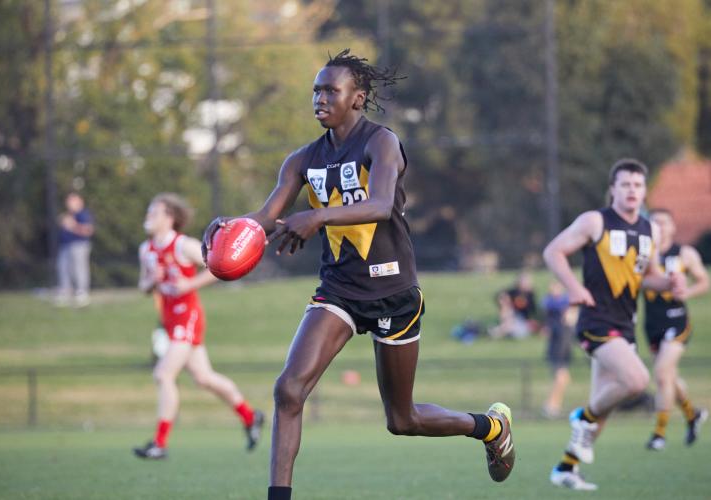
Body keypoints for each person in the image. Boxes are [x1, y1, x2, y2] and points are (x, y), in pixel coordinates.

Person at [202, 49, 516, 500]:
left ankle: (490, 427)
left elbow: (381, 204)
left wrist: (317, 217)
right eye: (315, 91)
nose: (320, 99)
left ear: (358, 97)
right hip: (339, 293)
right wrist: (231, 227)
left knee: (402, 420)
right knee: (288, 390)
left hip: (393, 292)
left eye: (331, 90)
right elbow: (268, 215)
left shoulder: (380, 142)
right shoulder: (301, 160)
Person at [543, 159, 685, 491]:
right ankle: (582, 417)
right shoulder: (595, 221)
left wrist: (670, 284)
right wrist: (574, 288)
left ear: (644, 191)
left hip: (625, 323)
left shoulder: (650, 230)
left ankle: (565, 469)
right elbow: (553, 252)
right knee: (636, 381)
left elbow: (648, 279)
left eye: (637, 185)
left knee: (603, 409)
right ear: (613, 190)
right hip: (595, 319)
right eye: (625, 185)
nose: (632, 191)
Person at [133, 193, 264, 460]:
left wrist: (189, 285)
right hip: (170, 320)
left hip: (188, 316)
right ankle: (251, 417)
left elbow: (217, 267)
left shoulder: (183, 245)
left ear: (169, 218)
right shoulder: (145, 250)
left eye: (154, 212)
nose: (149, 217)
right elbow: (143, 286)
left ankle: (159, 443)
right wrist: (152, 282)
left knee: (163, 374)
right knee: (204, 378)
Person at [643, 208, 709, 451]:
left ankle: (659, 433)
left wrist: (687, 292)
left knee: (661, 373)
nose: (659, 227)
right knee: (669, 377)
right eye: (654, 223)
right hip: (652, 324)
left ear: (672, 227)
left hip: (676, 321)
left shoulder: (684, 253)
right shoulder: (642, 254)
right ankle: (692, 415)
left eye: (664, 223)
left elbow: (704, 280)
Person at [541, 281, 575, 419]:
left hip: (564, 350)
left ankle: (554, 405)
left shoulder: (567, 324)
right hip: (557, 351)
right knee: (560, 379)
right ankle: (550, 406)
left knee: (564, 380)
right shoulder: (552, 307)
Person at [56, 192, 94, 307]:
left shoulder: (83, 214)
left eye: (72, 201)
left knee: (79, 269)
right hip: (65, 245)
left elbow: (88, 231)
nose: (69, 203)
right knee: (63, 268)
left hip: (79, 245)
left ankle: (82, 292)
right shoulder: (68, 214)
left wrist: (73, 225)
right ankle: (65, 291)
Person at [489, 272, 539, 339]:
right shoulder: (513, 292)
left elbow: (533, 311)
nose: (527, 283)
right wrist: (505, 304)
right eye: (525, 281)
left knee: (514, 329)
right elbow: (500, 295)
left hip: (523, 321)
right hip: (512, 317)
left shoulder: (530, 294)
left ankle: (498, 331)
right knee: (508, 315)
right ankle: (501, 330)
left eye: (528, 281)